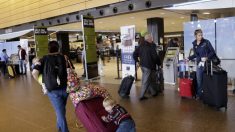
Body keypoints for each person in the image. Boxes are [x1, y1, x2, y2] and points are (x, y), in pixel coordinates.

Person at [32, 41, 69, 132]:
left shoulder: (43, 59)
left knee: (60, 112)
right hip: (66, 88)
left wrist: (41, 83)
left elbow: (34, 73)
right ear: (58, 48)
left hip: (53, 90)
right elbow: (70, 70)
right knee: (61, 110)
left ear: (48, 49)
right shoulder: (64, 57)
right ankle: (60, 127)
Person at [187, 29, 217, 99]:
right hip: (199, 64)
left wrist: (207, 57)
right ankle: (199, 95)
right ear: (195, 36)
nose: (200, 37)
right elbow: (195, 54)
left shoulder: (206, 42)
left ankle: (207, 95)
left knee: (207, 80)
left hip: (206, 64)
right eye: (199, 35)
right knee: (199, 80)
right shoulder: (194, 44)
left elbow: (212, 52)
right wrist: (189, 58)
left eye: (201, 35)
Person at [133, 33, 161, 101]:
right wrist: (159, 64)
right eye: (151, 38)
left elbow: (134, 54)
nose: (152, 39)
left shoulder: (140, 45)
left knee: (149, 79)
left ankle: (153, 92)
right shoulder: (151, 46)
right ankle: (141, 96)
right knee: (145, 81)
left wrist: (137, 61)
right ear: (149, 39)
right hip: (149, 66)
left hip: (142, 65)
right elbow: (155, 57)